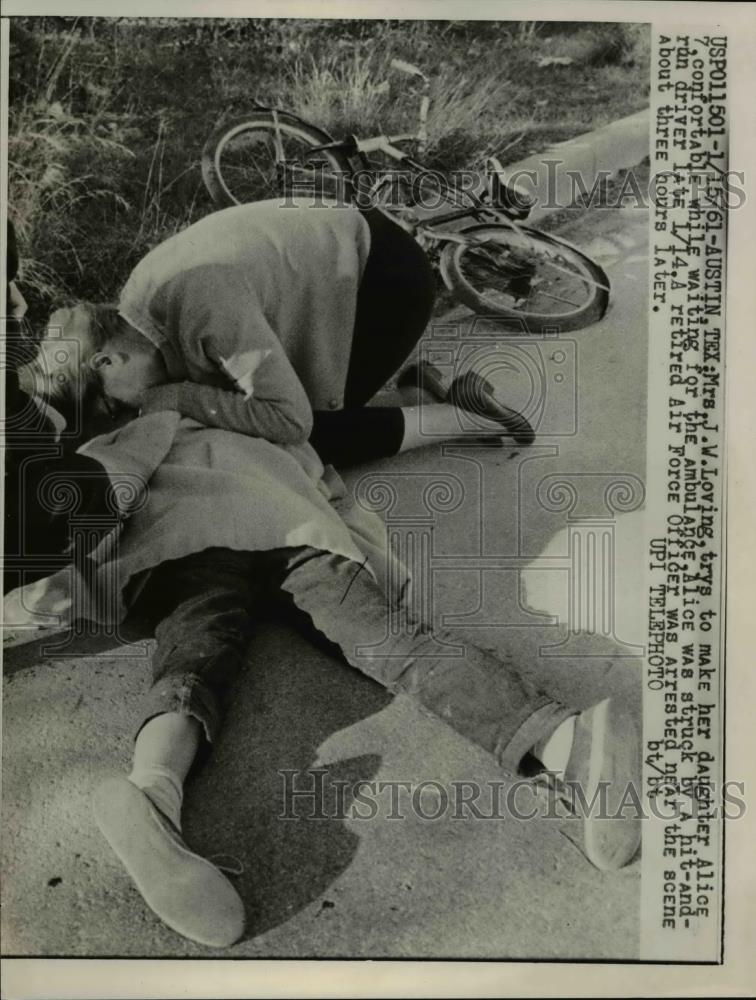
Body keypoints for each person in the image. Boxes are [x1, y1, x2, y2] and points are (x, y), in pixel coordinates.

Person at [10, 335, 641, 951]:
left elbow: (109, 497)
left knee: (193, 654)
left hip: (187, 546)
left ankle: (153, 792)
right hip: (290, 524)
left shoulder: (127, 431)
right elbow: (332, 453)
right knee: (389, 642)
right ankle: (568, 742)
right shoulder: (232, 415)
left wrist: (64, 596)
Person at [17, 199, 534, 468]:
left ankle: (466, 416)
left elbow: (289, 420)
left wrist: (177, 395)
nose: (129, 413)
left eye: (112, 407)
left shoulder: (199, 306)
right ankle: (422, 392)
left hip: (386, 282)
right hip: (353, 254)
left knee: (303, 440)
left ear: (108, 363)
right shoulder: (137, 303)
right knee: (236, 410)